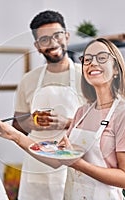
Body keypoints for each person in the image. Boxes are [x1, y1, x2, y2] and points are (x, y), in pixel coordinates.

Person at [0, 38, 125, 199]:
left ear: (116, 69)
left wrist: (77, 164)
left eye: (102, 58)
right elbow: (56, 160)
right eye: (87, 59)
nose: (92, 63)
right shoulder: (82, 112)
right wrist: (14, 135)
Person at [10, 10, 85, 200]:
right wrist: (31, 123)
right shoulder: (28, 80)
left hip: (74, 169)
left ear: (66, 37)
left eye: (57, 36)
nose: (52, 43)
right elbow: (17, 126)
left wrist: (67, 122)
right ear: (37, 46)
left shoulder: (86, 77)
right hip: (36, 170)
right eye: (44, 39)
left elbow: (101, 125)